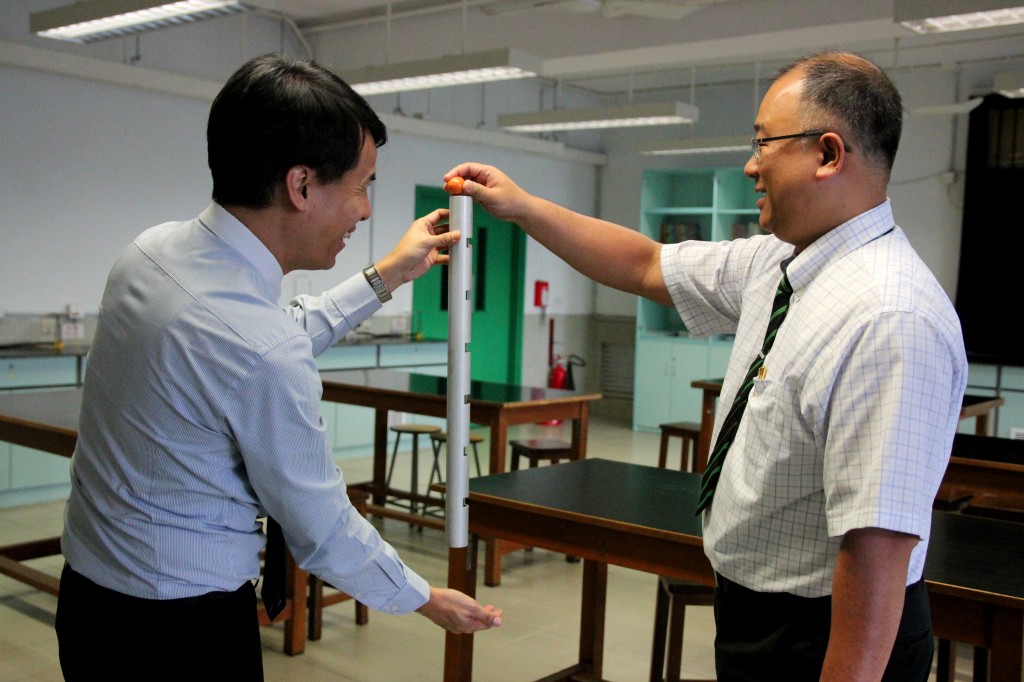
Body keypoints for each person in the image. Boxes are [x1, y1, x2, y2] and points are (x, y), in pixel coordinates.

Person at [445, 51, 965, 682]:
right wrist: (524, 207)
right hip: (757, 611)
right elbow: (646, 264)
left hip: (822, 636)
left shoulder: (888, 317)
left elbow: (877, 549)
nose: (751, 165)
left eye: (763, 143)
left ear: (828, 154)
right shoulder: (779, 263)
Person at [55, 53, 501, 680]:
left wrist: (387, 275)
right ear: (301, 185)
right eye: (362, 186)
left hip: (88, 603)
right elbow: (322, 528)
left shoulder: (149, 252)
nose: (366, 212)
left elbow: (252, 344)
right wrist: (425, 598)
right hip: (181, 636)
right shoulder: (257, 346)